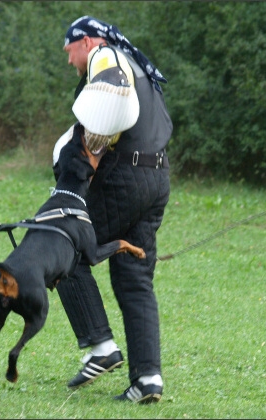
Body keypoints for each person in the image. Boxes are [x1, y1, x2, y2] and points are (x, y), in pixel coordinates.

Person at [54, 15, 172, 404]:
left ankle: (100, 347)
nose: (69, 60)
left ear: (85, 42)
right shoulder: (134, 62)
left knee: (65, 245)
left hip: (125, 176)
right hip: (157, 177)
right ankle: (148, 380)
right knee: (134, 278)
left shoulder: (105, 58)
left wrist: (86, 161)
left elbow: (111, 103)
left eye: (69, 50)